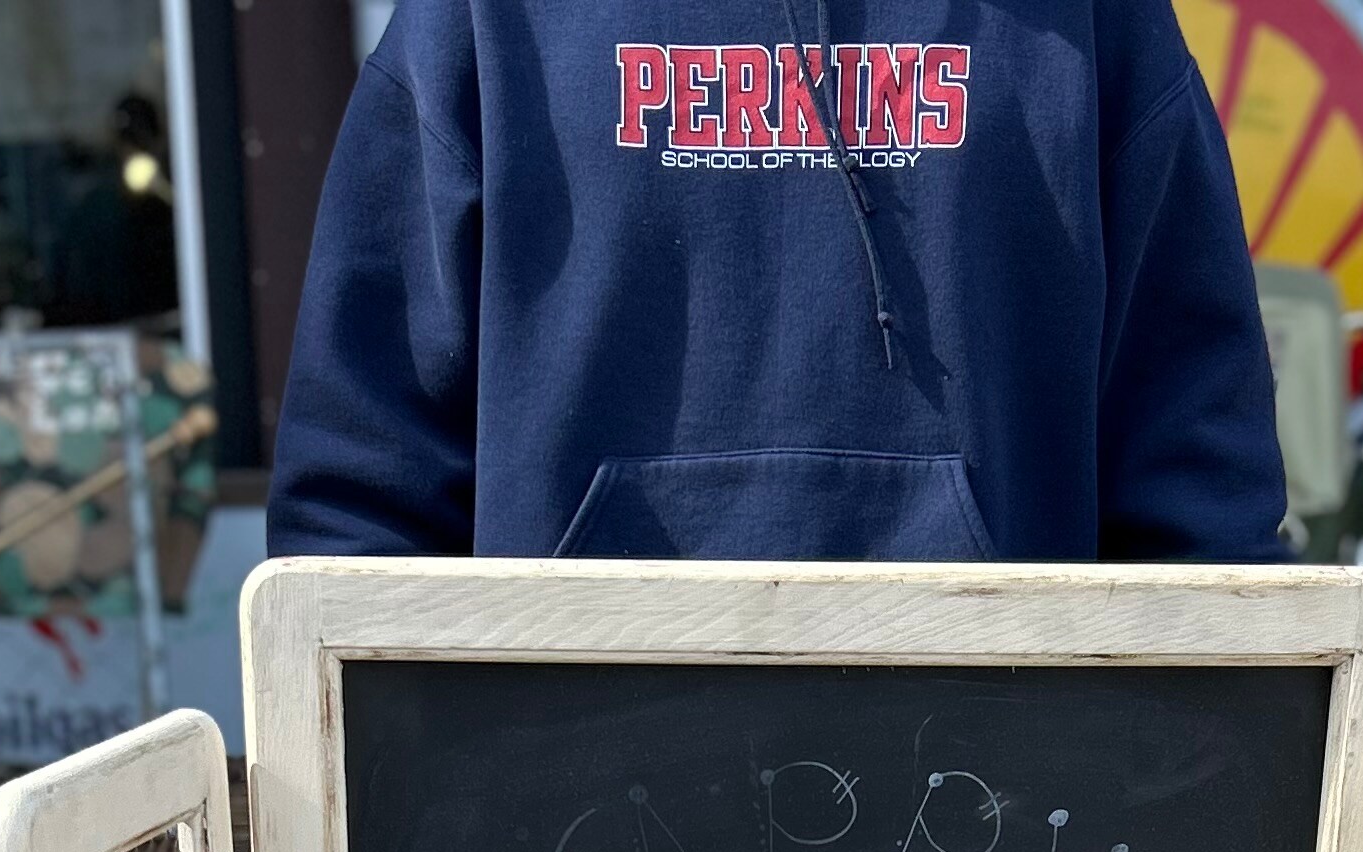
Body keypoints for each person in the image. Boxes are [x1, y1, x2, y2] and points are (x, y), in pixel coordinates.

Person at [265, 0, 1288, 565]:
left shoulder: (1089, 27)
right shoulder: (482, 20)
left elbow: (1195, 481)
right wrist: (322, 793)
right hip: (560, 833)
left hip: (1000, 825)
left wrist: (1287, 803)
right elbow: (368, 481)